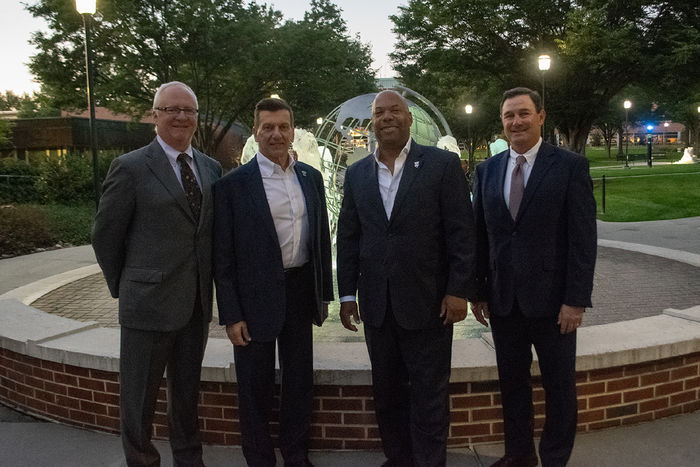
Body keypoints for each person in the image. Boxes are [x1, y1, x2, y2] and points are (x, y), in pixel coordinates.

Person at [336, 90, 476, 467]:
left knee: (430, 393)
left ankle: (430, 461)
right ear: (372, 122)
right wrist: (346, 294)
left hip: (429, 304)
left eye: (394, 110)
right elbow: (349, 237)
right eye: (379, 112)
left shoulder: (442, 165)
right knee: (387, 393)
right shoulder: (357, 173)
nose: (387, 117)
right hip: (378, 308)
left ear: (409, 117)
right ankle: (398, 458)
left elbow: (462, 234)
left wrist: (458, 290)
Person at [92, 81, 222, 466]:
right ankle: (142, 461)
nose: (181, 116)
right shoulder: (130, 167)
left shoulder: (211, 168)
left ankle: (189, 459)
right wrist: (128, 286)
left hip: (195, 306)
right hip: (146, 307)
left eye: (189, 110)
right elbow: (105, 236)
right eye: (171, 109)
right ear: (155, 116)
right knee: (139, 399)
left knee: (186, 395)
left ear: (197, 118)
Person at [470, 87, 597, 467]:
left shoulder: (569, 166)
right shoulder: (487, 170)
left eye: (524, 113)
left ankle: (555, 458)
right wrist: (479, 291)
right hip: (504, 300)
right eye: (509, 116)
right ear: (502, 122)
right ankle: (519, 454)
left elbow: (582, 239)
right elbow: (482, 236)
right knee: (513, 384)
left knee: (559, 386)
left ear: (541, 116)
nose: (516, 122)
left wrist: (575, 299)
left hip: (554, 302)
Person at [213, 97, 333, 467]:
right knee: (254, 389)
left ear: (293, 130)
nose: (276, 134)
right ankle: (260, 460)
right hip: (253, 299)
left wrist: (322, 295)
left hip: (299, 292)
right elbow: (223, 257)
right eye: (268, 127)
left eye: (283, 126)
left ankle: (297, 456)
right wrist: (231, 315)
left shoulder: (310, 177)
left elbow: (321, 241)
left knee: (299, 384)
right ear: (256, 131)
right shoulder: (232, 185)